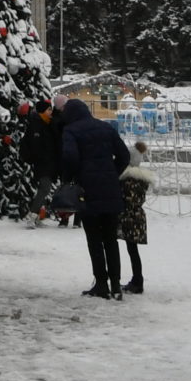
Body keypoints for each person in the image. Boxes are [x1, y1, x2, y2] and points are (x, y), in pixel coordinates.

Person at [56, 97, 132, 298]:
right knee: (110, 239)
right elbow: (124, 155)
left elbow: (70, 158)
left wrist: (70, 179)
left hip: (88, 191)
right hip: (110, 190)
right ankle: (116, 285)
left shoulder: (71, 131)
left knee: (94, 239)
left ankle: (101, 283)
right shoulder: (105, 128)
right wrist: (111, 174)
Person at [118, 138, 156, 296]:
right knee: (132, 250)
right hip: (137, 217)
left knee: (132, 250)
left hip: (130, 218)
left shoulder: (129, 180)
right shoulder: (140, 180)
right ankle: (137, 279)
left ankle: (138, 281)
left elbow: (127, 199)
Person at [21, 99, 60, 228]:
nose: (51, 112)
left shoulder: (47, 123)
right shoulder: (37, 125)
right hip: (43, 163)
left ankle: (35, 215)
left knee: (44, 189)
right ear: (42, 111)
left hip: (49, 163)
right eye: (49, 109)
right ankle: (32, 215)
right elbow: (36, 146)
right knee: (45, 188)